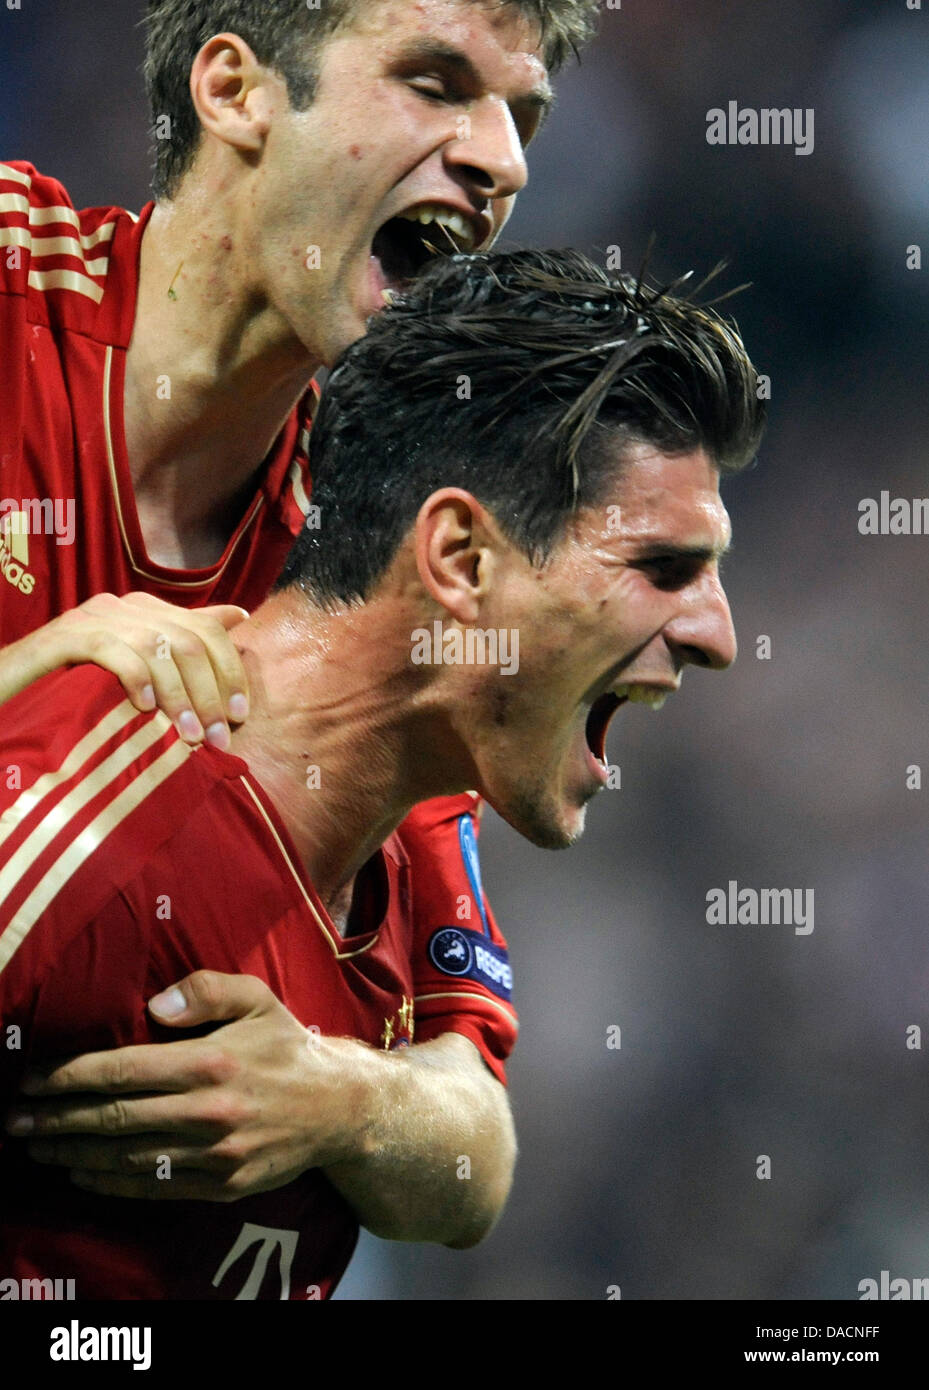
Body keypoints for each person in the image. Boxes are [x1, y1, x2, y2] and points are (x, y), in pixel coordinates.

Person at [0, 247, 765, 1298]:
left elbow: (470, 1174)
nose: (717, 637)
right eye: (661, 569)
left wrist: (340, 1099)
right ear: (458, 557)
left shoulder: (420, 823)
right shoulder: (98, 821)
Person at [0, 0, 597, 1213]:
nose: (506, 160)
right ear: (232, 93)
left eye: (521, 117)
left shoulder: (373, 523)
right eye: (436, 84)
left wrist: (339, 1096)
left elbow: (471, 1152)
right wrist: (37, 669)